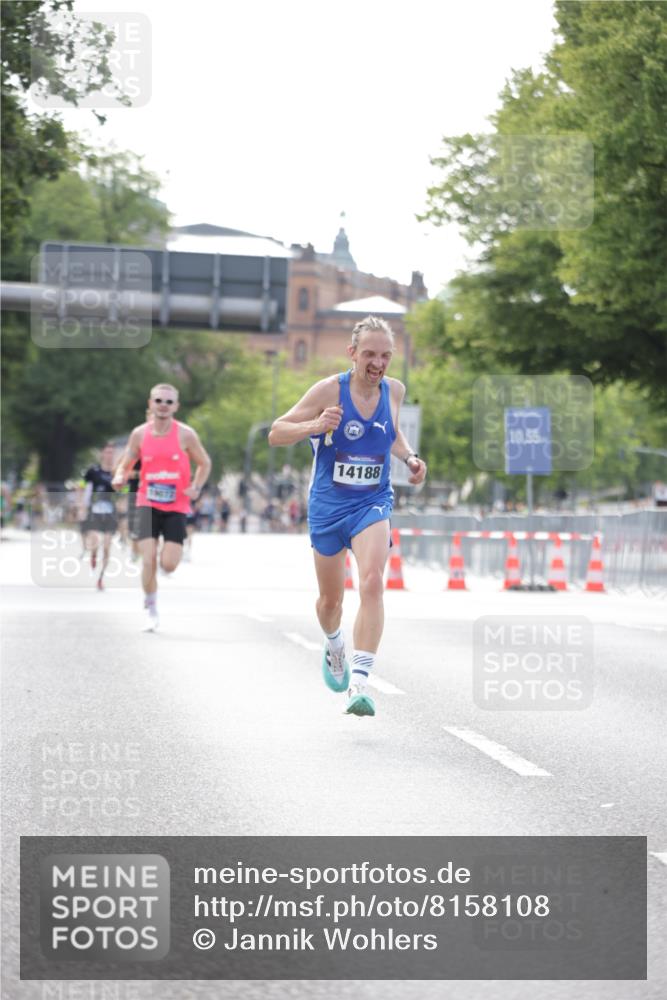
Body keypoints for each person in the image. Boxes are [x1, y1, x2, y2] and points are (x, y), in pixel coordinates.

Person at [268, 315, 427, 717]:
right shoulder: (329, 390)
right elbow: (276, 431)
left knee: (372, 583)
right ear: (352, 353)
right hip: (327, 506)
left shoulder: (395, 390)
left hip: (371, 502)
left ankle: (360, 683)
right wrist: (316, 425)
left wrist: (408, 457)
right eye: (370, 354)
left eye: (386, 355)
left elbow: (389, 432)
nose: (378, 363)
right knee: (329, 602)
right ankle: (335, 643)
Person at [112, 383, 211, 631]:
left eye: (169, 402)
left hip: (176, 505)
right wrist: (120, 475)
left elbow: (205, 463)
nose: (163, 406)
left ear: (176, 406)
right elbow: (127, 460)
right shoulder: (139, 434)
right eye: (159, 401)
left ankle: (156, 582)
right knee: (148, 560)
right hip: (147, 501)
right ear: (150, 404)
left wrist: (196, 486)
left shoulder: (185, 434)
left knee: (168, 564)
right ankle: (151, 606)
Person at [79, 443, 118, 590]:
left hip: (110, 513)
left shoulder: (117, 472)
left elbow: (124, 492)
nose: (110, 456)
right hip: (95, 511)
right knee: (94, 542)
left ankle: (101, 578)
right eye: (107, 452)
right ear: (102, 454)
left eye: (112, 453)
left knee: (107, 547)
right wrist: (82, 507)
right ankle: (94, 554)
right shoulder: (93, 471)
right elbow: (85, 489)